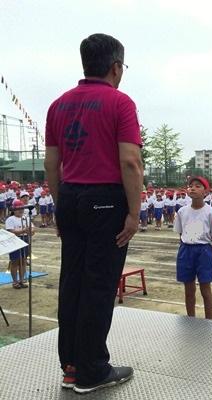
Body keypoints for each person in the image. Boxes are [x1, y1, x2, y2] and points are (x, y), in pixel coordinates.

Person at [44, 33, 143, 394]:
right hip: (106, 199)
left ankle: (71, 365)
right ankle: (92, 370)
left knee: (72, 282)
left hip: (70, 195)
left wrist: (61, 207)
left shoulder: (57, 105)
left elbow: (51, 164)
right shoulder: (120, 103)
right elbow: (130, 161)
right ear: (116, 67)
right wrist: (134, 213)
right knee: (99, 285)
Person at [174, 176, 212, 319]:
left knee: (205, 289)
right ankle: (191, 319)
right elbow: (181, 233)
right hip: (186, 250)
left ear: (205, 192)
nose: (193, 188)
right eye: (191, 186)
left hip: (204, 251)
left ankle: (209, 321)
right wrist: (185, 246)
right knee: (189, 289)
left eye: (198, 186)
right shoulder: (182, 212)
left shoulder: (210, 212)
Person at [5, 199, 35, 289]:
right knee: (15, 262)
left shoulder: (26, 218)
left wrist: (31, 231)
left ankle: (22, 280)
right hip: (14, 241)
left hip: (25, 239)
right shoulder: (10, 219)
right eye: (18, 209)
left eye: (22, 208)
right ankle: (15, 281)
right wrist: (23, 230)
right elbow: (11, 231)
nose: (20, 210)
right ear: (14, 210)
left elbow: (33, 229)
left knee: (23, 261)